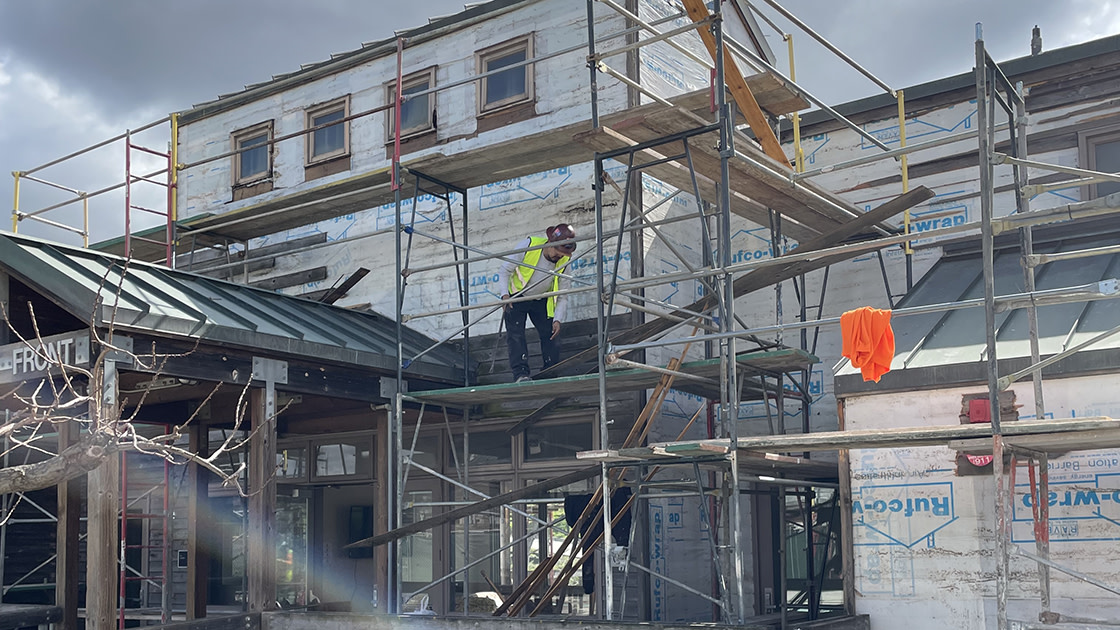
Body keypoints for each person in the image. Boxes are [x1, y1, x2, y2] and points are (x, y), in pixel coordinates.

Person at [498, 224, 577, 383]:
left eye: (564, 254)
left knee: (551, 333)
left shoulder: (565, 261)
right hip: (517, 297)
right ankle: (521, 374)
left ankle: (550, 371)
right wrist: (504, 295)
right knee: (516, 335)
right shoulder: (528, 246)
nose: (559, 257)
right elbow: (504, 271)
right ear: (550, 242)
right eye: (558, 252)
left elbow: (562, 294)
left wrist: (557, 319)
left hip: (541, 300)